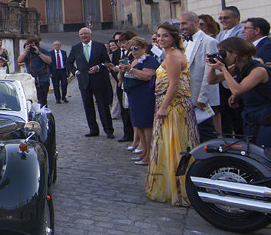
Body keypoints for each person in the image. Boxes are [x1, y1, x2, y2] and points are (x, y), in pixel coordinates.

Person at [145, 23, 198, 206]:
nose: (161, 39)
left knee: (175, 145)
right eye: (159, 35)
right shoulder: (172, 54)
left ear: (174, 37)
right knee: (169, 145)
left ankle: (179, 189)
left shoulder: (174, 56)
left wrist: (163, 107)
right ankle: (173, 186)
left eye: (165, 36)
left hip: (174, 107)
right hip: (172, 105)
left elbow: (174, 84)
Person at [208, 37, 271, 150]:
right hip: (252, 119)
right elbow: (212, 80)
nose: (222, 56)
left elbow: (237, 89)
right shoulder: (238, 68)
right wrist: (212, 66)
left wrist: (223, 68)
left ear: (235, 54)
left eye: (224, 53)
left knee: (270, 156)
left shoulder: (258, 70)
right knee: (254, 155)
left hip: (269, 120)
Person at [67, 27, 115, 138]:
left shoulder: (99, 46)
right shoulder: (76, 48)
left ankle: (108, 130)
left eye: (86, 34)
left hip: (99, 80)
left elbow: (106, 61)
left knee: (103, 107)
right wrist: (76, 72)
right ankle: (93, 129)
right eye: (81, 34)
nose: (84, 36)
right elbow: (69, 63)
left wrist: (98, 67)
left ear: (90, 34)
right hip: (84, 81)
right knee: (88, 107)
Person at [179, 12, 220, 141]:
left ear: (195, 22)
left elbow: (210, 71)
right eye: (180, 24)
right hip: (187, 95)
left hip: (200, 98)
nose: (181, 27)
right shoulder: (185, 43)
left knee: (205, 134)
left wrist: (203, 97)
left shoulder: (210, 42)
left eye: (184, 23)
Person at [119, 36, 159, 164]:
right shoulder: (133, 60)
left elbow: (148, 76)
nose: (133, 51)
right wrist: (121, 70)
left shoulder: (149, 60)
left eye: (136, 48)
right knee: (138, 125)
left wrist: (130, 70)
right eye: (131, 49)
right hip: (134, 96)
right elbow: (124, 75)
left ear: (144, 48)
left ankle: (150, 154)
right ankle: (143, 151)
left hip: (144, 95)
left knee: (146, 125)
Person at [216, 6, 244, 135]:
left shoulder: (241, 32)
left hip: (234, 78)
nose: (223, 20)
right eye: (221, 18)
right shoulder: (221, 34)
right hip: (222, 79)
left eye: (226, 18)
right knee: (225, 114)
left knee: (237, 117)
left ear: (237, 17)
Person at [20, 38, 52, 107]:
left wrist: (38, 53)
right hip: (32, 79)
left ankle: (43, 111)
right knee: (34, 99)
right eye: (29, 45)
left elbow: (49, 61)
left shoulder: (43, 51)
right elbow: (19, 60)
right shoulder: (27, 53)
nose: (31, 47)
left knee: (43, 100)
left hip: (43, 78)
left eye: (32, 45)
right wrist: (25, 52)